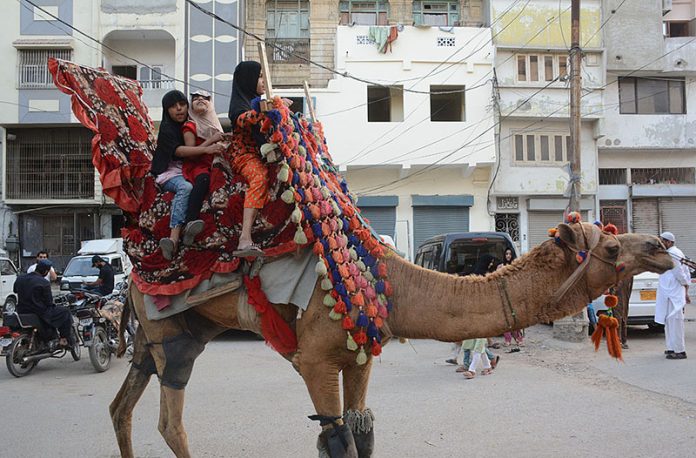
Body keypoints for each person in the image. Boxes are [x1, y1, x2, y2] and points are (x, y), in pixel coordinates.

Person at [151, 90, 225, 260]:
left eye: (182, 105)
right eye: (173, 107)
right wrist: (208, 147)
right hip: (170, 173)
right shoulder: (167, 130)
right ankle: (174, 237)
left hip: (188, 168)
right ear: (166, 110)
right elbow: (181, 151)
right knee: (186, 187)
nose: (179, 109)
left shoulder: (193, 124)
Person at [227, 61, 271, 258]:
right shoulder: (239, 105)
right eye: (259, 76)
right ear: (248, 79)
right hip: (244, 155)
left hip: (261, 153)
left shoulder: (255, 102)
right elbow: (244, 119)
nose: (263, 81)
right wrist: (269, 108)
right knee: (259, 177)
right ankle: (244, 238)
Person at [14, 260, 73, 346]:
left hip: (22, 311)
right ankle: (63, 339)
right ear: (46, 271)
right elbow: (49, 302)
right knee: (65, 312)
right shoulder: (44, 282)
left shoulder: (20, 278)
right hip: (39, 313)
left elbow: (15, 290)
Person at [655, 232, 690, 360]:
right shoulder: (669, 253)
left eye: (663, 241)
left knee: (676, 322)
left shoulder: (674, 253)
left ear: (669, 242)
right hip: (668, 293)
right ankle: (671, 347)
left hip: (674, 293)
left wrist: (684, 284)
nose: (661, 243)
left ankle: (680, 351)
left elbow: (680, 273)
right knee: (669, 321)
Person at [497, 248, 524, 347]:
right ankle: (507, 339)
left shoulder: (516, 267)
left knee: (515, 318)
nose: (508, 255)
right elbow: (497, 280)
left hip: (514, 296)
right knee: (506, 319)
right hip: (504, 295)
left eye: (510, 254)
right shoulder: (500, 267)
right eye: (506, 254)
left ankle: (518, 338)